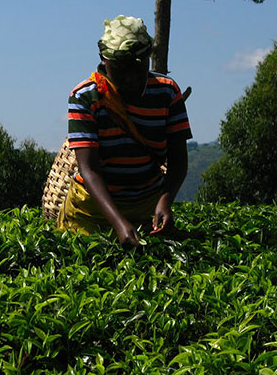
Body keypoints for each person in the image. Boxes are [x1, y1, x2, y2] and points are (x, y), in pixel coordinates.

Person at [56, 15, 192, 246]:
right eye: (121, 69)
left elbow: (178, 158)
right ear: (103, 59)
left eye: (139, 67)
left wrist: (165, 201)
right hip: (93, 211)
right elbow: (89, 169)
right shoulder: (85, 97)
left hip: (146, 205)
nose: (131, 77)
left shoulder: (167, 93)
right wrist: (119, 223)